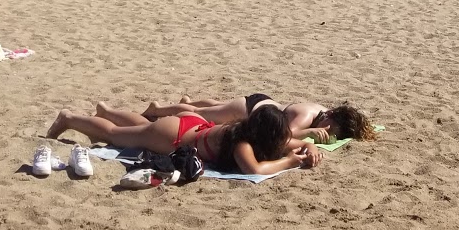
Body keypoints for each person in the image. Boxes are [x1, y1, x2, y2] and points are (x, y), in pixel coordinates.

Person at [45, 100, 324, 177]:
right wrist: (289, 163)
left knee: (141, 128)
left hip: (193, 125)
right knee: (114, 136)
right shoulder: (242, 145)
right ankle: (68, 119)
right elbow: (254, 169)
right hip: (174, 138)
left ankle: (109, 111)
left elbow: (297, 142)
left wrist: (309, 147)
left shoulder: (249, 133)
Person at [142, 94, 375, 144]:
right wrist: (310, 133)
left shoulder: (323, 111)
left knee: (213, 107)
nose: (328, 131)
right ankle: (159, 109)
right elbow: (286, 133)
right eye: (331, 128)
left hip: (261, 104)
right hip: (250, 109)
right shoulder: (308, 116)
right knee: (201, 115)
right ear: (331, 116)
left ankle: (185, 101)